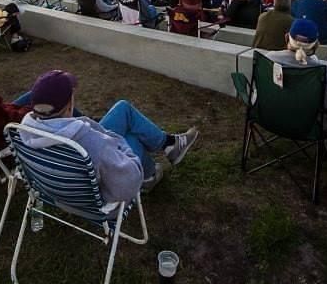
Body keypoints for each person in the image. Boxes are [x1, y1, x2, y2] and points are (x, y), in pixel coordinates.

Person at [18, 70, 199, 197]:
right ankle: (152, 171)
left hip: (58, 190)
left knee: (123, 113)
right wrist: (119, 145)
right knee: (129, 130)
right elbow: (126, 185)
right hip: (95, 194)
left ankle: (168, 145)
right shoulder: (89, 139)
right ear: (68, 106)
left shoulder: (23, 131)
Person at [263, 19, 327, 128]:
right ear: (316, 45)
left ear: (286, 38)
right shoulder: (325, 74)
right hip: (307, 127)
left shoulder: (267, 61)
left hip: (269, 117)